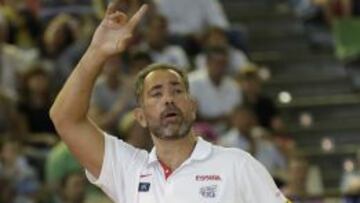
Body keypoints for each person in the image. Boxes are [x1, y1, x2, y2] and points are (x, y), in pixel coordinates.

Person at [49, 2, 289, 203]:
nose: (168, 99)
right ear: (140, 117)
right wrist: (96, 52)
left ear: (193, 107)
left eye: (176, 90)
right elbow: (65, 119)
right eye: (156, 93)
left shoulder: (237, 165)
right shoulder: (129, 170)